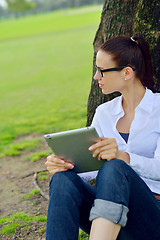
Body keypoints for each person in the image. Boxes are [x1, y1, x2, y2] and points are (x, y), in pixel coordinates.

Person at [45, 33, 160, 240]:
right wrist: (65, 164)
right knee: (62, 180)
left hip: (152, 217)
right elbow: (89, 168)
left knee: (116, 167)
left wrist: (123, 157)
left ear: (126, 73)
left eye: (102, 71)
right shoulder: (104, 112)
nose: (96, 77)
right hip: (109, 215)